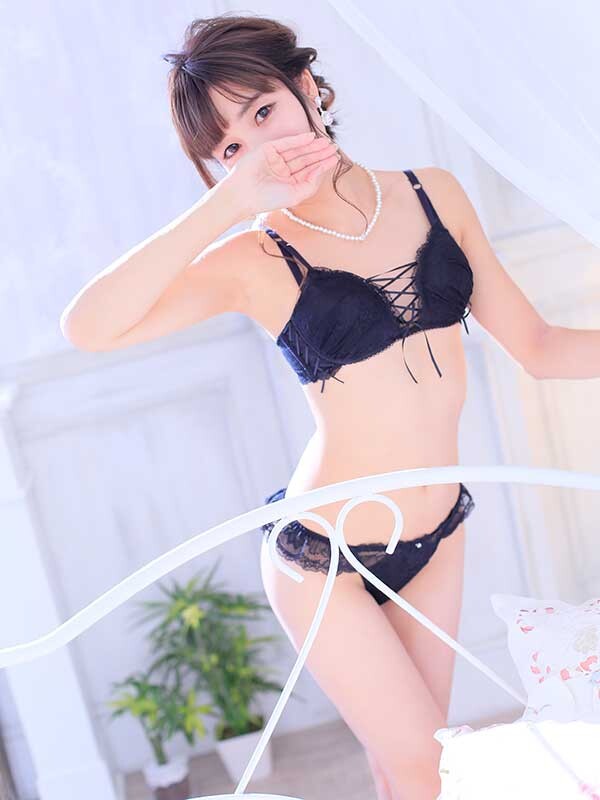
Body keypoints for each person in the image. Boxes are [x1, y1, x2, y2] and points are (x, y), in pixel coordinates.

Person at [60, 13, 555, 800]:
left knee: (405, 771)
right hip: (325, 556)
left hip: (438, 533)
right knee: (429, 768)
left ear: (306, 87)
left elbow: (539, 346)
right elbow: (88, 327)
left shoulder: (431, 192)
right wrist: (230, 203)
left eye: (263, 112)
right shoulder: (255, 256)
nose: (261, 150)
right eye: (230, 149)